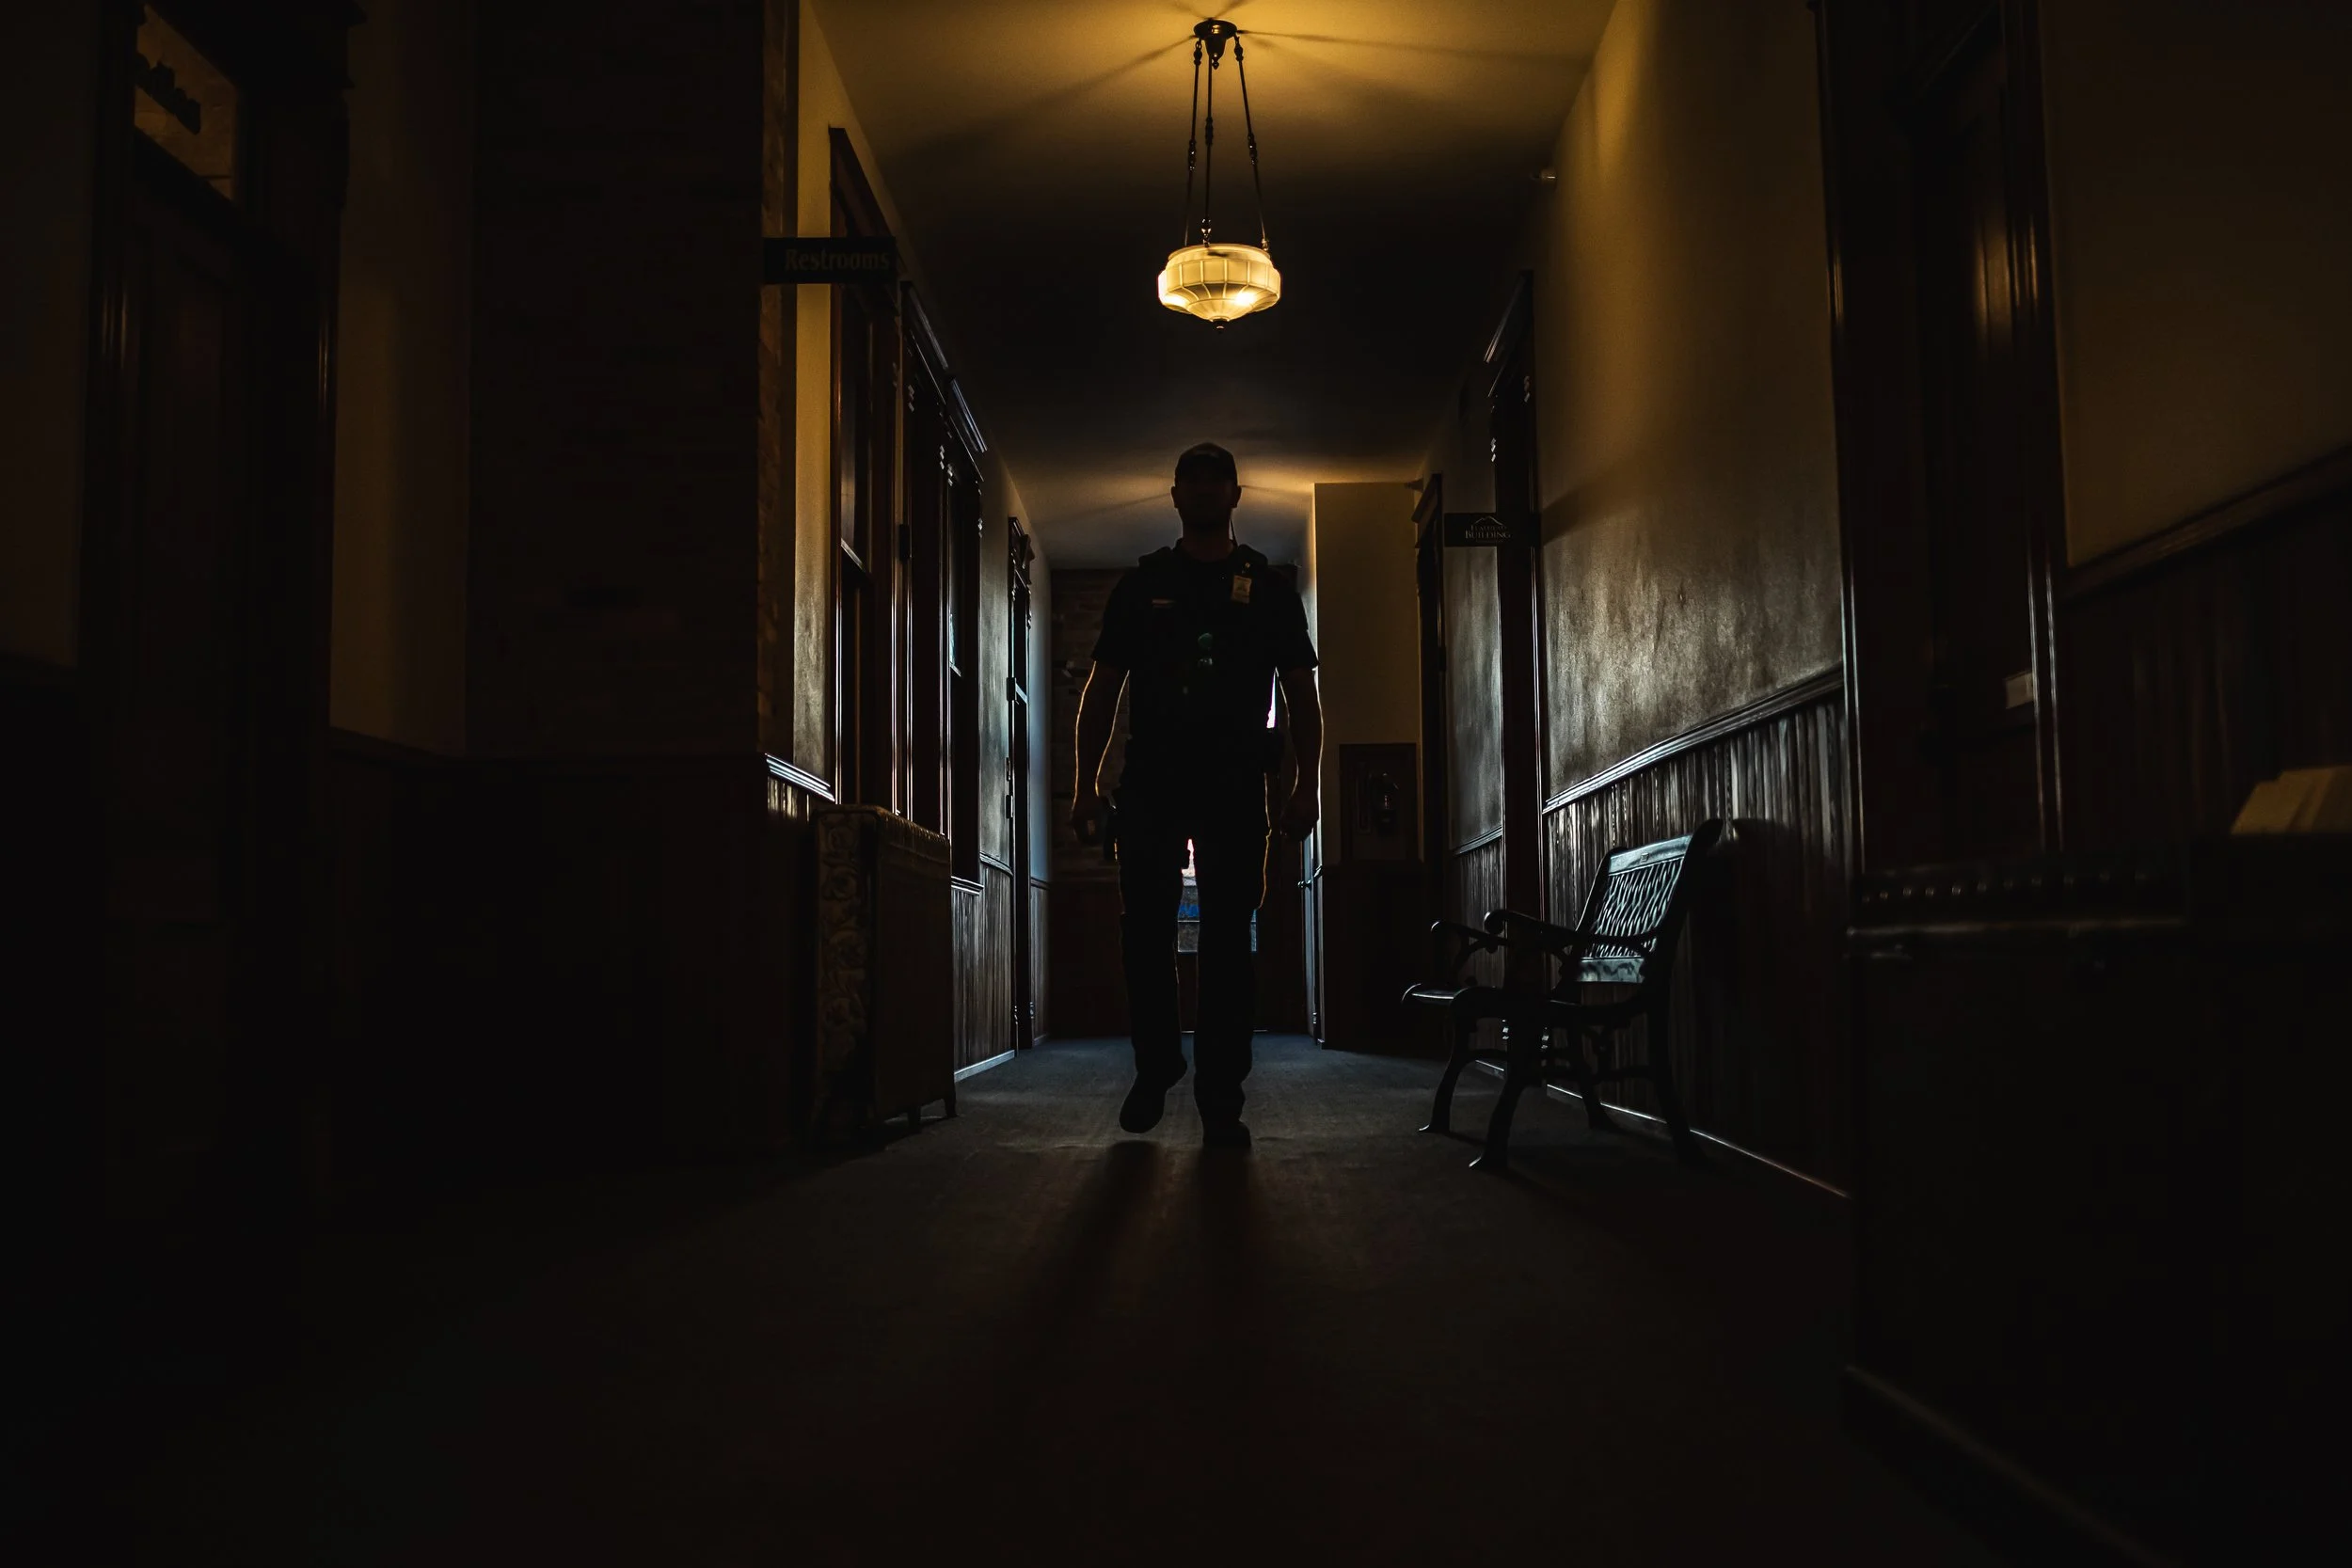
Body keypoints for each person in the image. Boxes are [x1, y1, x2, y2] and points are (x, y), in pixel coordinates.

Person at [1069, 442, 1322, 1148]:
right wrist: (1085, 786)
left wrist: (1307, 787)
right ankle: (1157, 1068)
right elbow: (1102, 690)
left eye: (1218, 482)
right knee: (1143, 932)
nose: (1206, 492)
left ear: (1235, 496)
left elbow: (1301, 695)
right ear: (1176, 496)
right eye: (1193, 482)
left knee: (1228, 945)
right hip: (1151, 781)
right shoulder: (1142, 583)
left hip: (1238, 784)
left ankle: (1220, 1096)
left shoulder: (1268, 589)